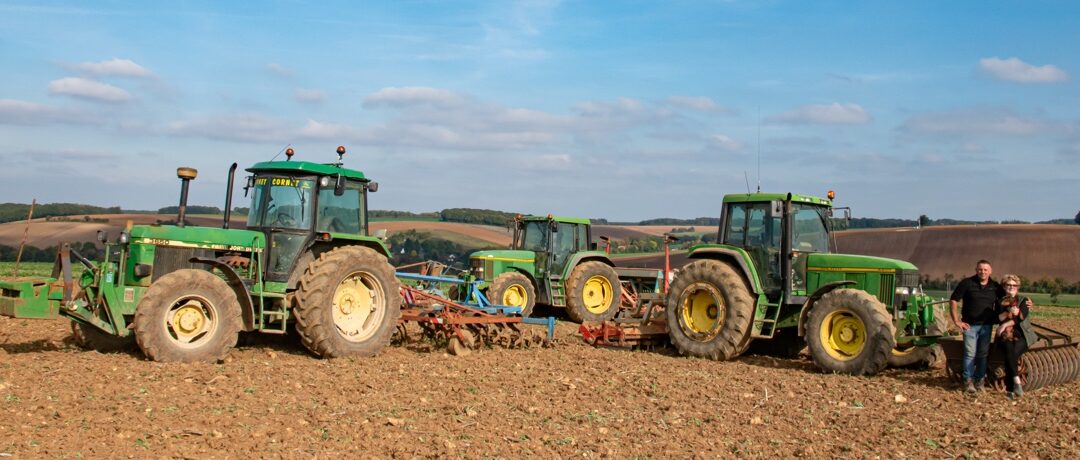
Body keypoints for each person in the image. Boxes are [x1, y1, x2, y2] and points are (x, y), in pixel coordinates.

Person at [949, 260, 1005, 393]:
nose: (983, 272)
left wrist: (1026, 302)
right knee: (969, 354)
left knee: (982, 354)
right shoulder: (967, 283)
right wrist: (956, 321)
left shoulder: (995, 287)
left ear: (990, 271)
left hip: (986, 326)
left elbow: (1009, 299)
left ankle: (979, 381)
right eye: (980, 269)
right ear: (976, 270)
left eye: (986, 270)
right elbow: (954, 300)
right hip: (970, 326)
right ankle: (968, 382)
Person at [996, 274, 1037, 400]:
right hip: (1005, 335)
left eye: (1014, 285)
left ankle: (1010, 390)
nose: (1011, 287)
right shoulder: (999, 301)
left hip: (1022, 334)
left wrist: (1004, 325)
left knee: (1011, 355)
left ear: (1018, 287)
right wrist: (1007, 313)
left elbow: (1021, 317)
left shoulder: (1024, 300)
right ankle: (1017, 382)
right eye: (1008, 285)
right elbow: (997, 317)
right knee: (1009, 352)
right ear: (1004, 286)